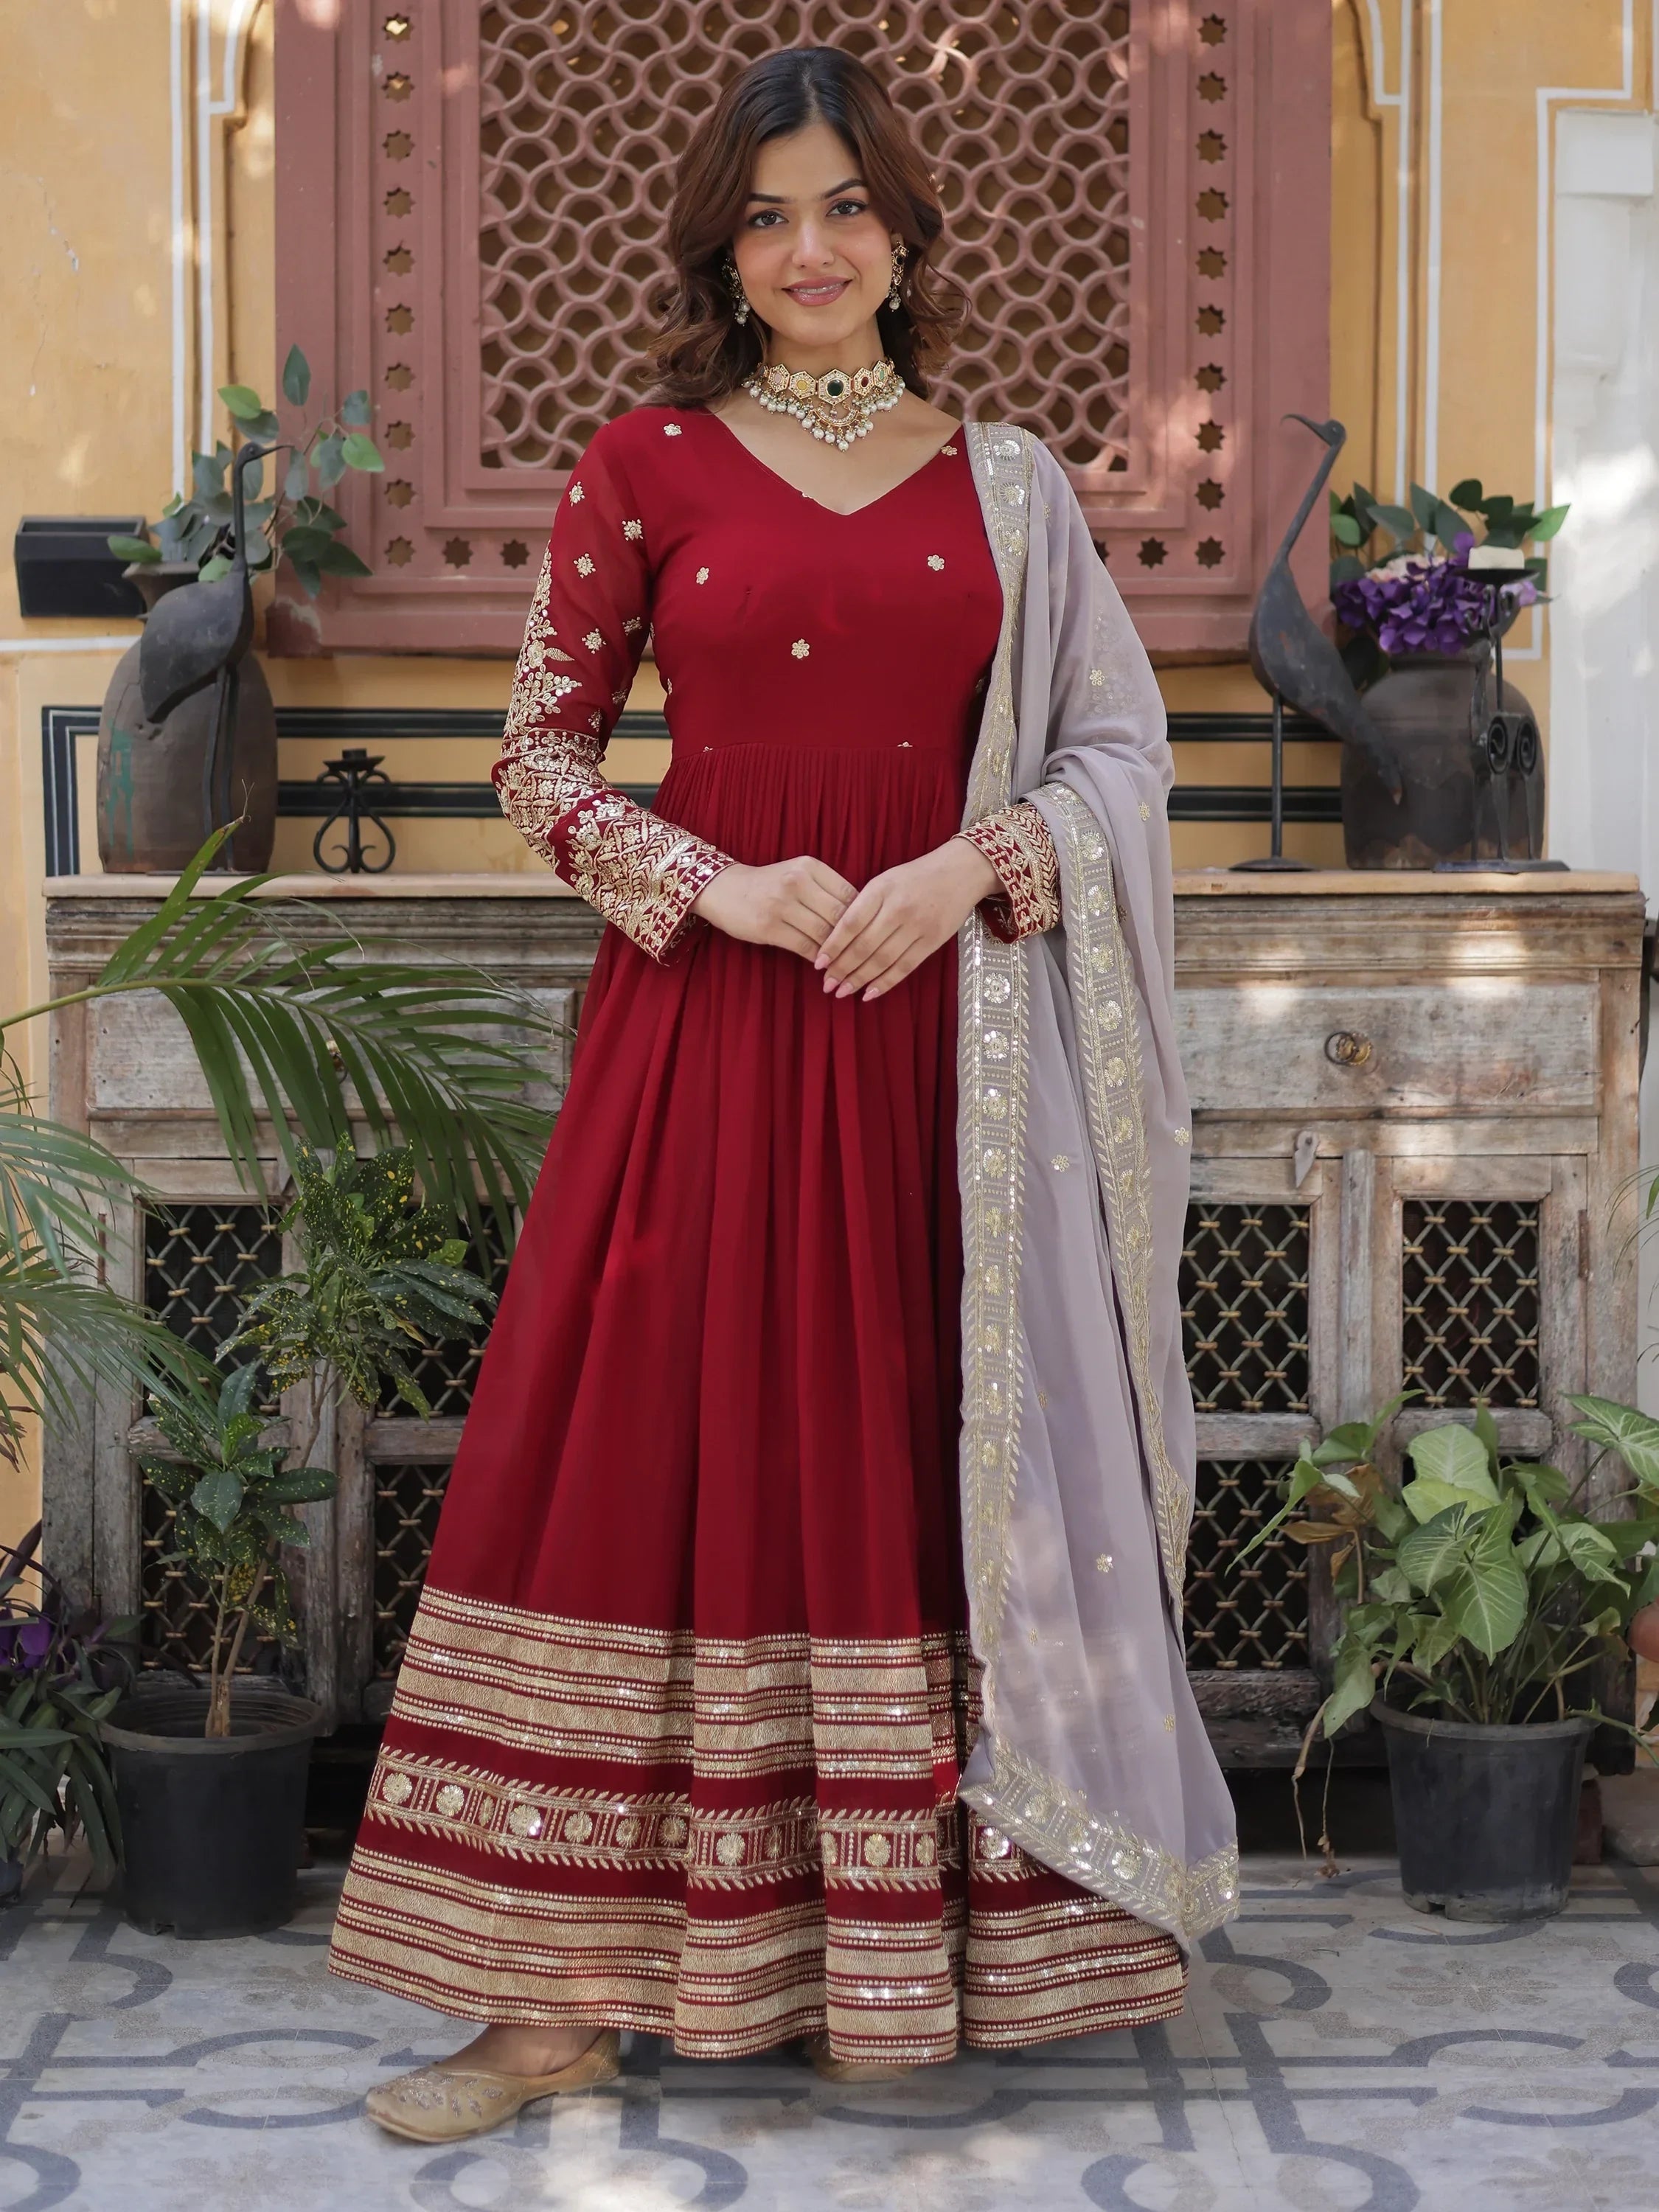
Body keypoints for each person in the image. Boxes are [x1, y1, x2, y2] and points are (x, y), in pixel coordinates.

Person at [330, 44, 1238, 2146]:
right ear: (719, 252)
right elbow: (536, 760)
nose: (808, 250)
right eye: (764, 215)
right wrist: (717, 883)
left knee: (900, 1460)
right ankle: (550, 1999)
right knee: (637, 1450)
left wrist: (962, 872)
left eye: (842, 206)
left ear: (905, 231)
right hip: (707, 1038)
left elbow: (1115, 758)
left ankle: (881, 1964)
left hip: (942, 1051)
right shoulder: (643, 462)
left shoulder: (1004, 481)